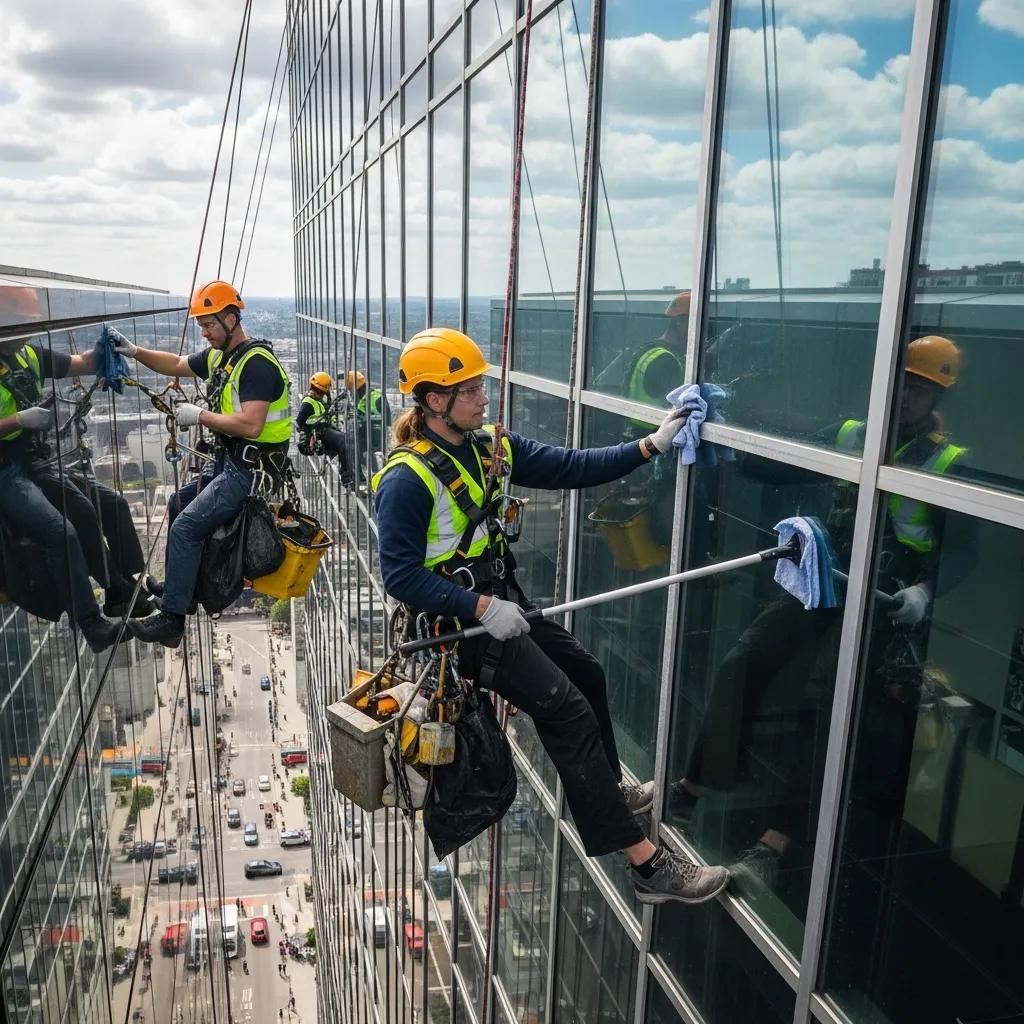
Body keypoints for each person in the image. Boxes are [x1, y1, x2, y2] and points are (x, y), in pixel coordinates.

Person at [372, 326, 728, 905]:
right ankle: (647, 866)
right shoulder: (407, 480)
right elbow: (401, 577)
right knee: (564, 711)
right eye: (471, 390)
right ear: (436, 401)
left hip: (497, 600)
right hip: (457, 625)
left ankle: (610, 788)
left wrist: (649, 446)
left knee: (587, 673)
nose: (484, 398)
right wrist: (481, 607)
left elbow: (571, 466)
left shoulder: (491, 448)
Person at [669, 335, 977, 888]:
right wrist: (723, 428)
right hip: (825, 579)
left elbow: (964, 553)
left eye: (921, 390)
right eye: (903, 385)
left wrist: (926, 593)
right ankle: (695, 784)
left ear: (937, 400)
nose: (907, 397)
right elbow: (782, 465)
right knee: (744, 661)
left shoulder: (949, 463)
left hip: (885, 600)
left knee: (829, 707)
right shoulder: (853, 433)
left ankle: (774, 843)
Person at [113, 280, 293, 647]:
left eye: (209, 325)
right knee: (178, 505)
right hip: (232, 460)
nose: (205, 333)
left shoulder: (256, 365)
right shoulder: (222, 358)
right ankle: (182, 587)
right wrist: (134, 352)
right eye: (201, 327)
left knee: (184, 529)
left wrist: (200, 416)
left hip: (250, 470)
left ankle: (172, 620)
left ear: (231, 318)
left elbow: (252, 424)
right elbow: (178, 364)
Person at [0, 332, 123, 650]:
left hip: (30, 460)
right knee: (60, 532)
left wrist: (106, 350)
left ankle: (118, 591)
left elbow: (79, 363)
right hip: (4, 472)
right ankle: (89, 621)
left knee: (84, 508)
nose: (25, 334)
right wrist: (16, 420)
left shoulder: (28, 354)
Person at [295, 372, 352, 478]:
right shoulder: (308, 402)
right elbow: (299, 424)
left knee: (349, 441)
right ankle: (347, 476)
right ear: (323, 388)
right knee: (344, 441)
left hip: (323, 430)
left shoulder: (318, 398)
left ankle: (347, 468)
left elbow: (328, 407)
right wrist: (313, 429)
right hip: (319, 433)